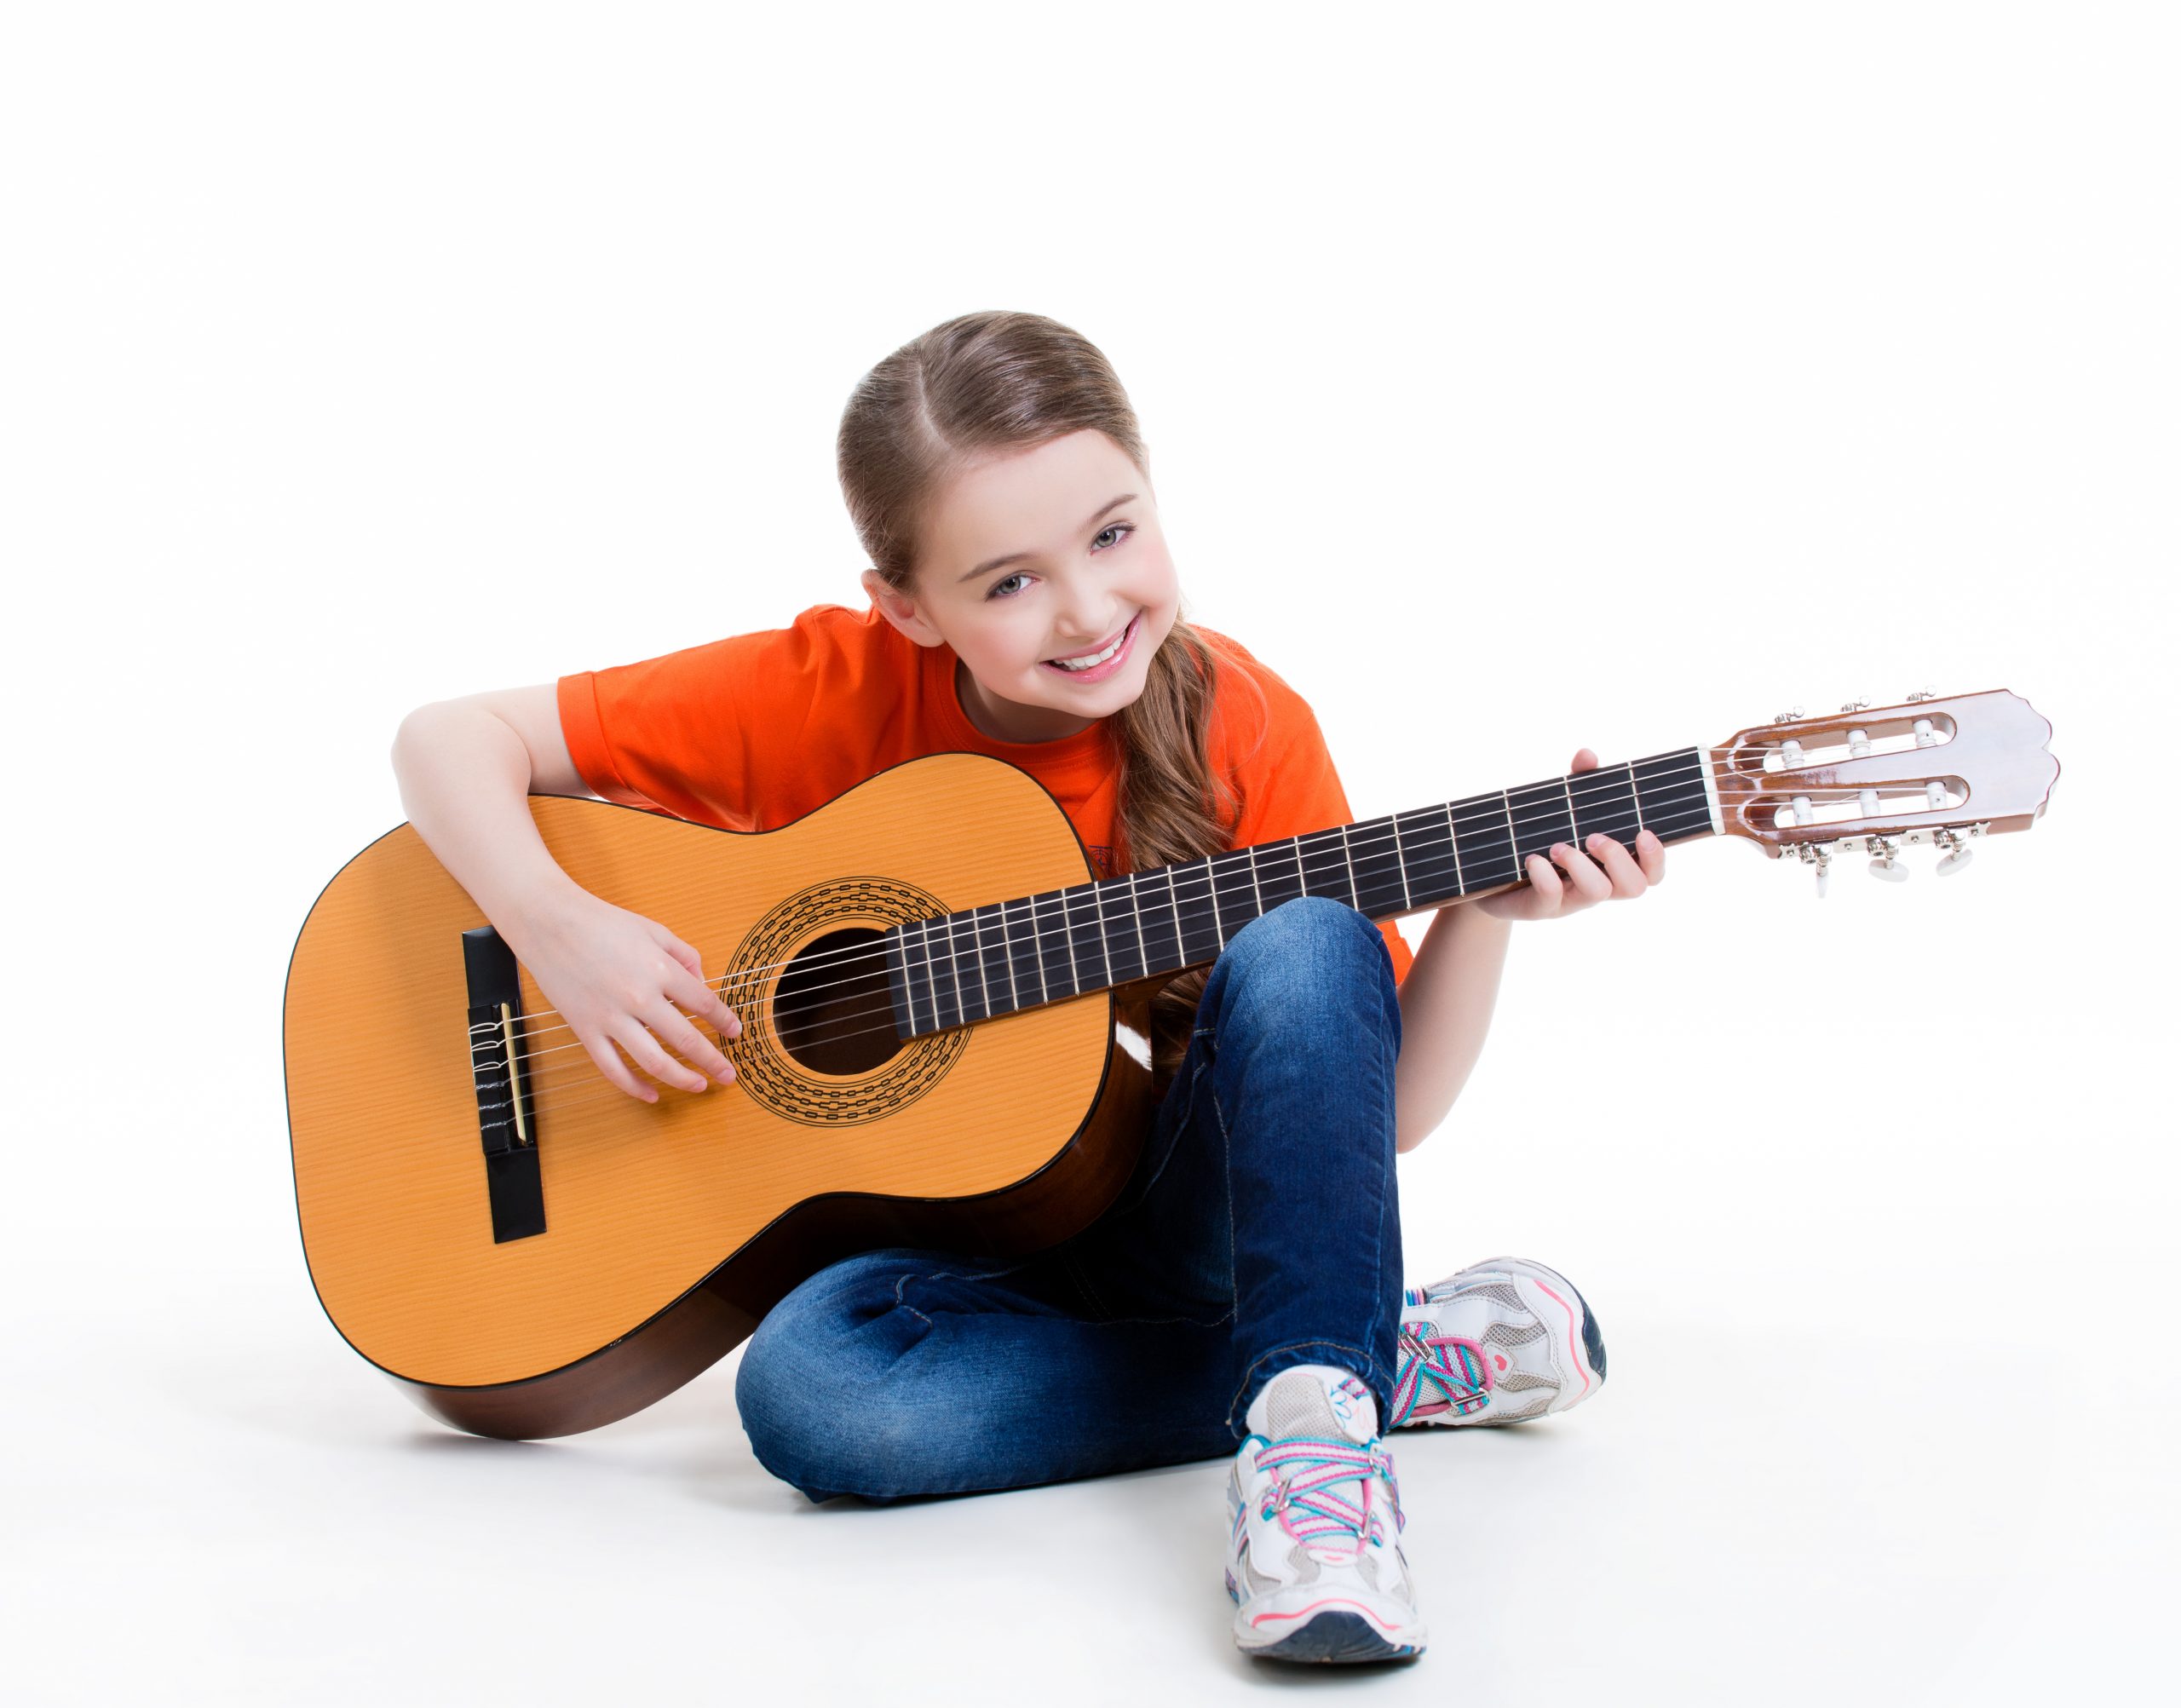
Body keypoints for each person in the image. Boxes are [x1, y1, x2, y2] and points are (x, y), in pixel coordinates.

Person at [390, 309, 1665, 1666]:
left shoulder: (1246, 727)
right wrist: (555, 928)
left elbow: (1380, 1116)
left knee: (1304, 935)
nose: (1087, 609)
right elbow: (448, 738)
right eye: (1006, 582)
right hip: (963, 1256)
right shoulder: (832, 686)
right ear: (905, 603)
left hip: (1182, 1221)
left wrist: (1480, 912)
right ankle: (1356, 1349)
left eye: (1114, 534)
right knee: (814, 1396)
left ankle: (1310, 1449)